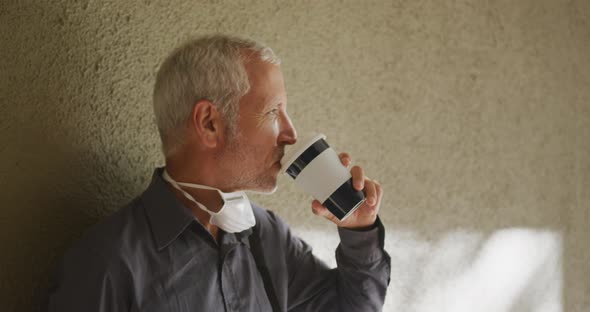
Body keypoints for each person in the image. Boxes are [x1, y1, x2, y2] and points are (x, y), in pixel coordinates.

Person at [47, 34, 391, 312]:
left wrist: (359, 229)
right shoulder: (107, 265)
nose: (290, 134)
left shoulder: (268, 236)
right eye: (274, 112)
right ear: (210, 124)